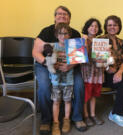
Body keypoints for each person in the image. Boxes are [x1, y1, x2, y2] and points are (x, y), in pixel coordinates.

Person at [32, 6, 87, 134]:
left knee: (79, 85)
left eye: (65, 14)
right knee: (45, 86)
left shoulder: (75, 33)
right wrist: (48, 63)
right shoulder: (46, 31)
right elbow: (35, 52)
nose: (62, 16)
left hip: (70, 66)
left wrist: (70, 66)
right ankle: (46, 121)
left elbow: (79, 57)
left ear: (69, 18)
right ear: (55, 17)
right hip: (45, 65)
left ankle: (77, 117)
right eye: (59, 14)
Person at [46, 23, 73, 135]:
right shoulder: (52, 46)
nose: (63, 36)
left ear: (69, 35)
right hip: (56, 80)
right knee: (56, 101)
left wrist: (70, 65)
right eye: (60, 33)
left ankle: (66, 120)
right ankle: (56, 123)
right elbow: (48, 62)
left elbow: (78, 60)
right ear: (57, 34)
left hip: (69, 80)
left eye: (65, 33)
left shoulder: (73, 47)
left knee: (67, 101)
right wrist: (53, 66)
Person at [81, 18, 104, 127]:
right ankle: (86, 115)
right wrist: (85, 41)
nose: (94, 28)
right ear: (87, 28)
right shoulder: (82, 39)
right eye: (91, 26)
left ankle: (93, 114)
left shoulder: (100, 42)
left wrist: (106, 56)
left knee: (94, 93)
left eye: (96, 26)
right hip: (87, 70)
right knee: (86, 93)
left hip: (97, 70)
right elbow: (80, 55)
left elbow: (103, 59)